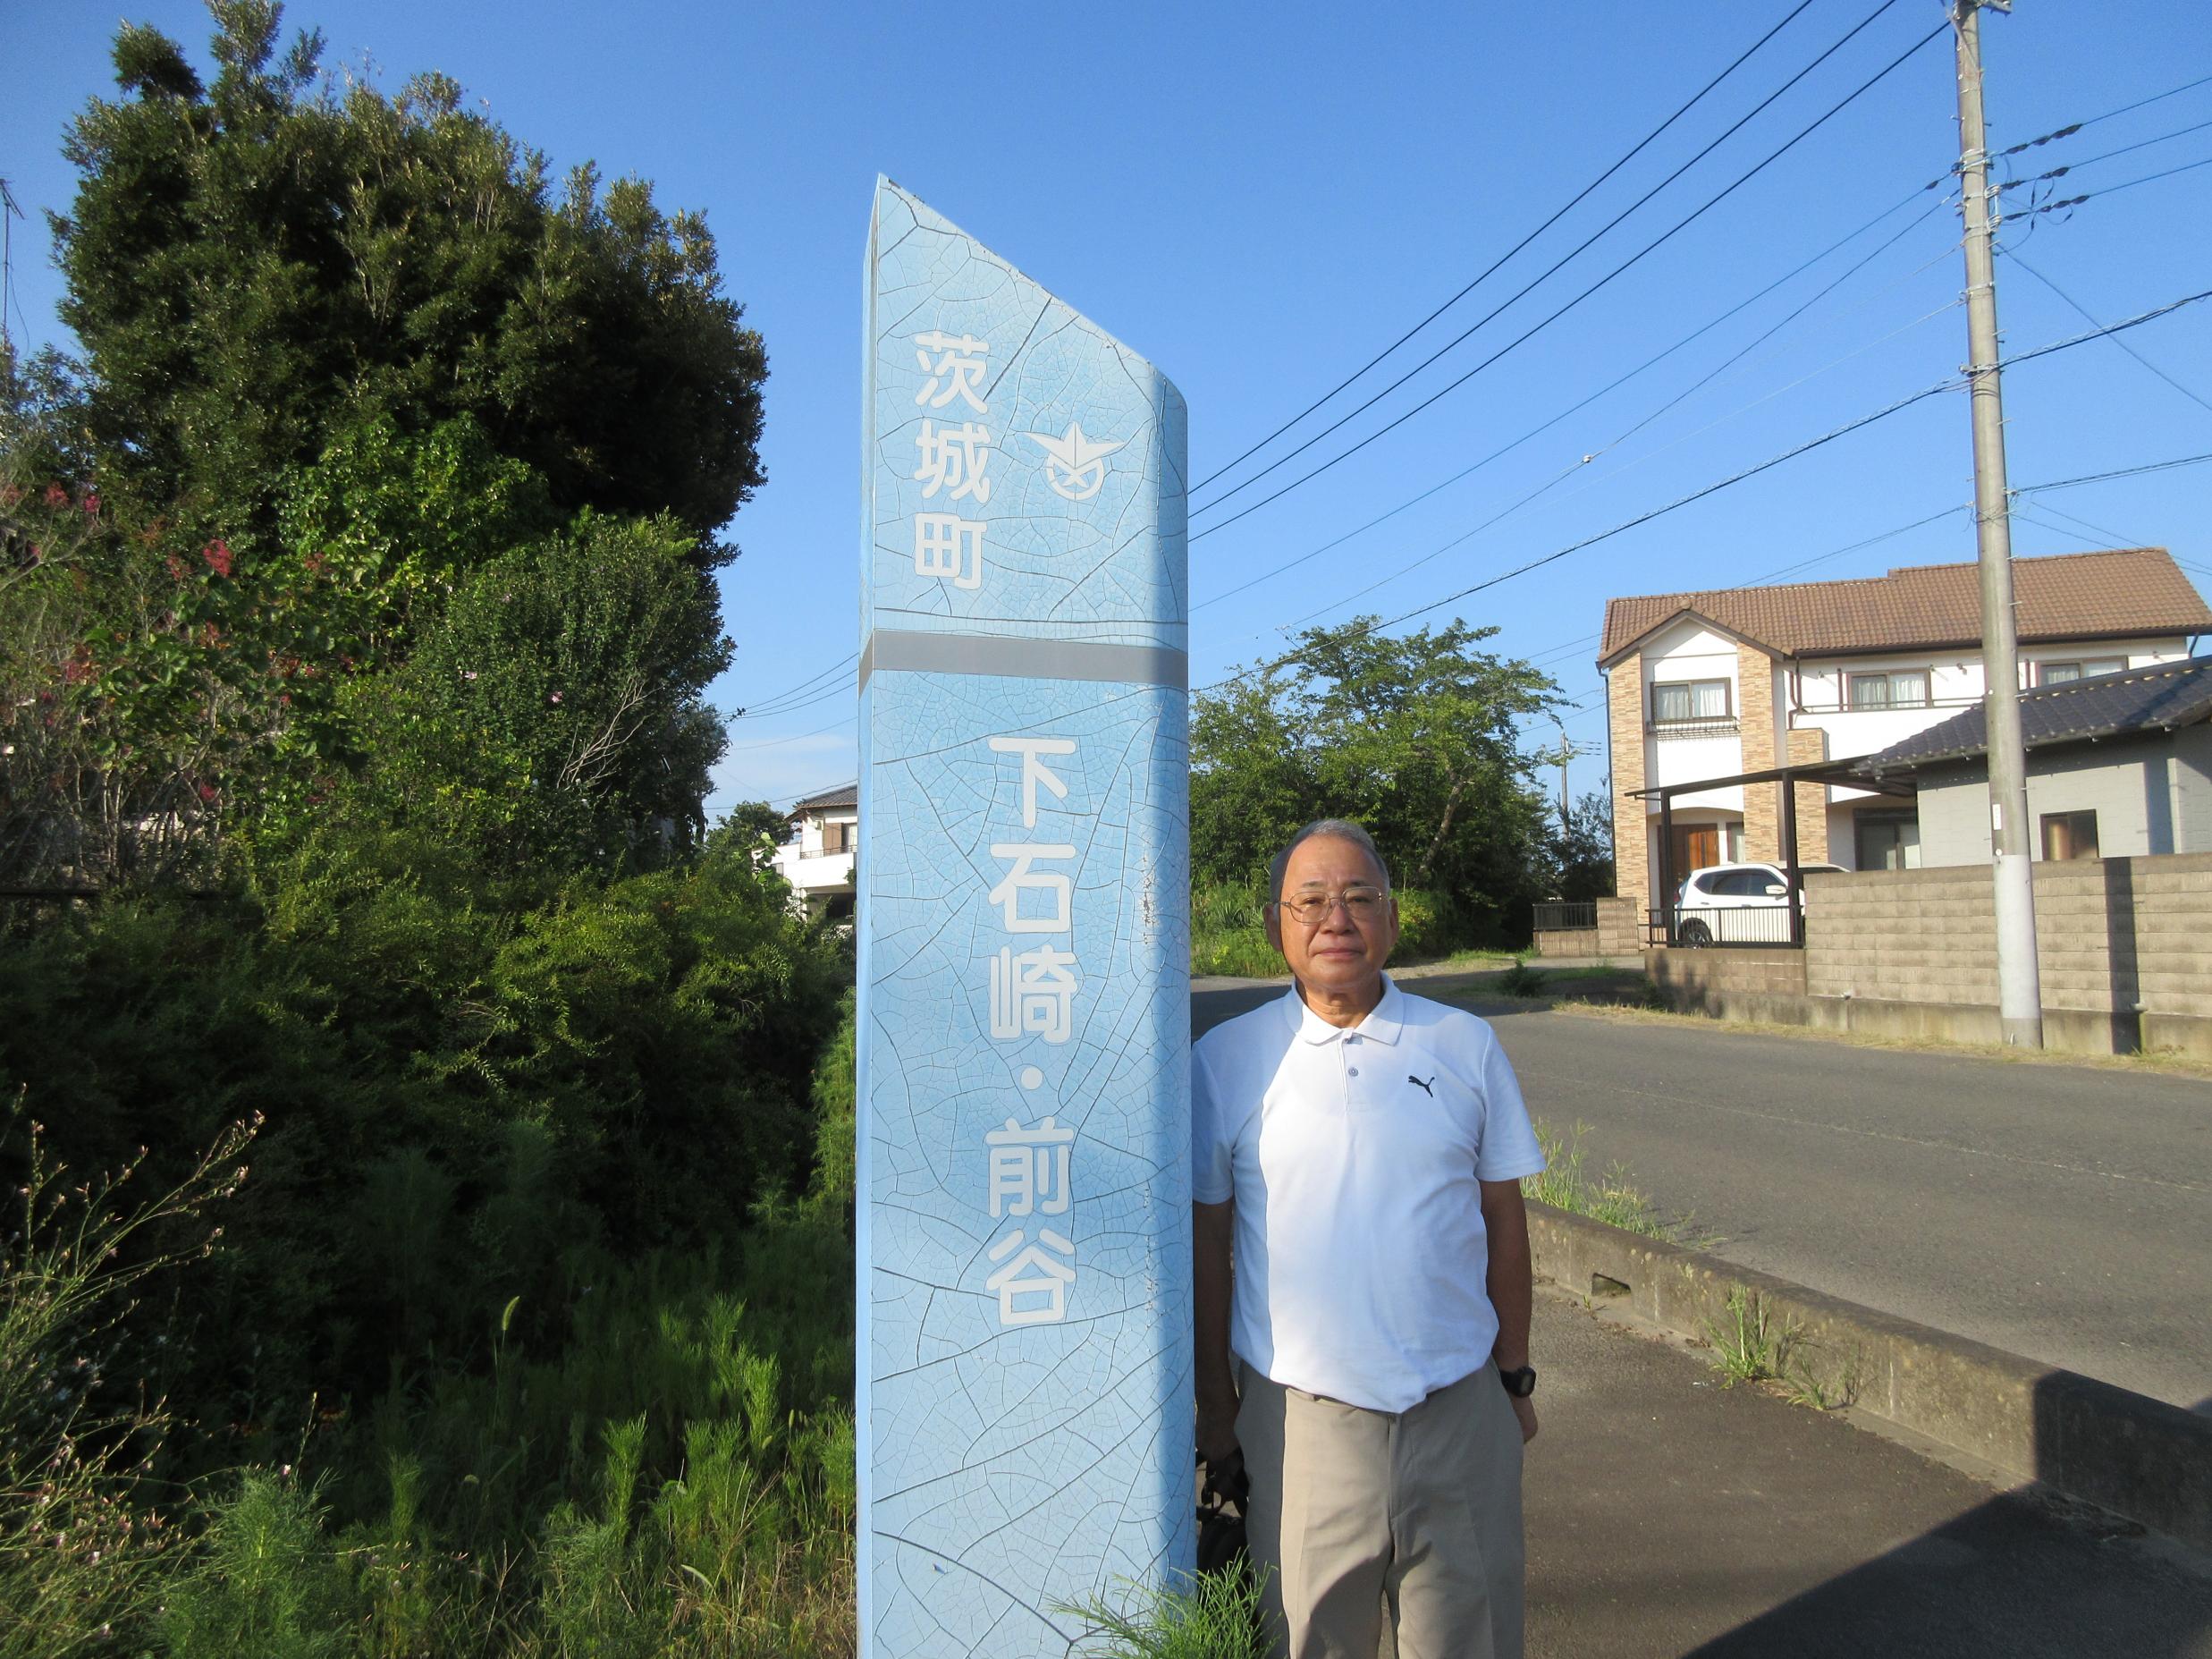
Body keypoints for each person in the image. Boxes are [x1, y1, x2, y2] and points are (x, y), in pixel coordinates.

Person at [1192, 818, 1546, 1659]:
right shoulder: (1226, 1058)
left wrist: (1514, 1376)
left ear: (1392, 917)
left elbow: (1504, 1216)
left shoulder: (1463, 1043)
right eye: (1310, 900)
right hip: (1302, 1422)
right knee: (1308, 1642)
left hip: (1458, 1410)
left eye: (1359, 896)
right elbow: (1208, 1241)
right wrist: (1217, 1408)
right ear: (1276, 924)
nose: (1336, 919)